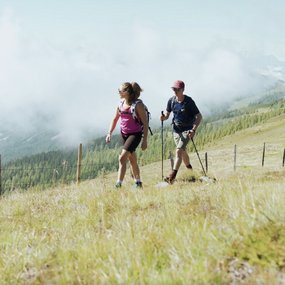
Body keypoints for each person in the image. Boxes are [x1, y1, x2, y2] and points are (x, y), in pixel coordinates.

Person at [106, 82, 148, 188]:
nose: (118, 92)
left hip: (135, 134)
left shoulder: (138, 105)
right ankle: (138, 183)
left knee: (122, 158)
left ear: (127, 92)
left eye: (120, 90)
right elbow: (115, 119)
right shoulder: (120, 104)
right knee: (132, 159)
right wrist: (109, 133)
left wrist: (145, 140)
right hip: (124, 134)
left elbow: (145, 123)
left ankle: (118, 185)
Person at [160, 80, 202, 184]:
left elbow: (199, 116)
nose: (174, 91)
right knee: (182, 153)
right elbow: (167, 115)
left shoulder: (189, 101)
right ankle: (191, 172)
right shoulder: (172, 101)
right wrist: (163, 117)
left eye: (177, 89)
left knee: (178, 151)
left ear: (182, 90)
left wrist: (193, 130)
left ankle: (172, 177)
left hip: (187, 130)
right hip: (176, 130)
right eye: (173, 89)